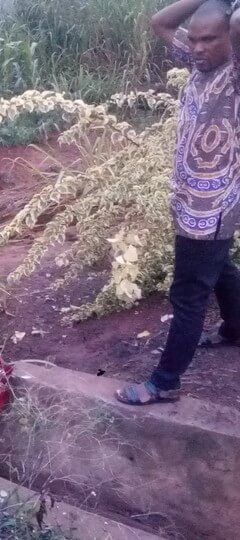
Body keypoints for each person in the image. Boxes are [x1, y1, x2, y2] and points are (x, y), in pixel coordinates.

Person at [116, 0, 240, 405]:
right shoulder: (200, 63)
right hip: (190, 199)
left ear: (230, 41)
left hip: (213, 207)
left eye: (210, 39)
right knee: (216, 268)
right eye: (196, 39)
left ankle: (165, 382)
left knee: (188, 293)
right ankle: (235, 329)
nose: (198, 47)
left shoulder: (236, 72)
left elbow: (237, 23)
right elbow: (160, 21)